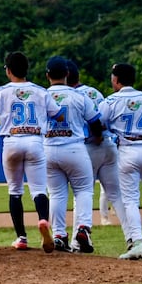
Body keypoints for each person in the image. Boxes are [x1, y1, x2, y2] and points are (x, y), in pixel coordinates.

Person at [0, 51, 63, 253]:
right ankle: (43, 221)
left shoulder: (1, 92)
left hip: (11, 141)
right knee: (39, 189)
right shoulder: (40, 91)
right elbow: (59, 114)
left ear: (8, 70)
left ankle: (21, 237)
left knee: (14, 190)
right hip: (35, 141)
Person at [98, 63, 142, 260]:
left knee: (130, 199)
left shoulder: (110, 101)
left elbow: (96, 121)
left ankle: (138, 242)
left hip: (127, 150)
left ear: (116, 79)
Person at [66, 59, 130, 248]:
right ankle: (133, 238)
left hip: (88, 146)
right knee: (116, 194)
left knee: (82, 192)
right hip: (109, 145)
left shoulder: (70, 95)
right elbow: (103, 119)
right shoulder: (94, 92)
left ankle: (76, 243)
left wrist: (95, 134)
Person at [42, 56, 103, 253]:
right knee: (84, 190)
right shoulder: (79, 96)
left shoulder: (41, 95)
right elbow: (95, 122)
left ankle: (59, 236)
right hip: (74, 147)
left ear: (47, 75)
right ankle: (83, 228)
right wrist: (98, 137)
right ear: (67, 74)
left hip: (48, 148)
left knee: (57, 193)